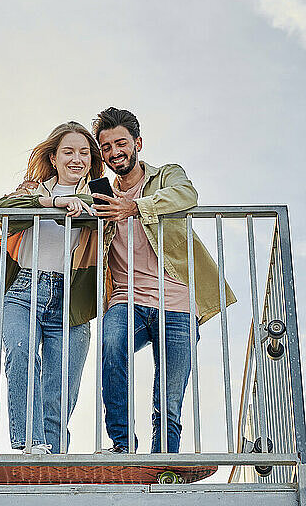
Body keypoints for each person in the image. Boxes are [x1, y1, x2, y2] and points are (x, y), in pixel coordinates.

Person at [0, 122, 103, 454]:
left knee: (60, 387)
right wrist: (50, 204)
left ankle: (54, 455)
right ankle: (30, 444)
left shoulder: (99, 196)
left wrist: (84, 208)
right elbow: (1, 211)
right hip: (23, 291)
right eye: (68, 152)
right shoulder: (33, 191)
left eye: (84, 152)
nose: (77, 159)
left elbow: (111, 221)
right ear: (54, 157)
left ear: (91, 160)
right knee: (20, 353)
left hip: (70, 300)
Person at [91, 107, 236, 454]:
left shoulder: (166, 176)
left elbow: (187, 195)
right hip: (127, 299)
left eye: (121, 143)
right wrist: (40, 192)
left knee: (168, 398)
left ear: (137, 143)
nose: (114, 153)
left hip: (177, 302)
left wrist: (136, 207)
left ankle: (163, 460)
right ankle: (123, 444)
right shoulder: (99, 194)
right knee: (112, 347)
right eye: (106, 147)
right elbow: (65, 201)